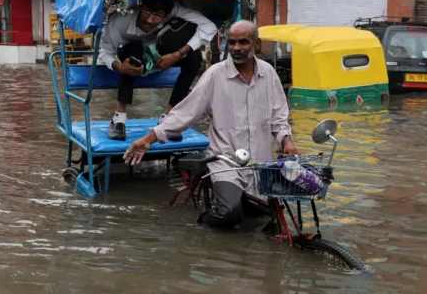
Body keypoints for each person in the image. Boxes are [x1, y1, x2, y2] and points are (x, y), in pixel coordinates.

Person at [124, 20, 298, 229]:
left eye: (243, 42)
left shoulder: (268, 73)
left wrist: (286, 142)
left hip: (260, 164)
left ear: (257, 44)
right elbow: (184, 114)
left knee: (265, 219)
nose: (236, 48)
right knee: (229, 212)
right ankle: (201, 229)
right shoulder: (215, 74)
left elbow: (279, 117)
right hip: (226, 162)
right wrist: (147, 140)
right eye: (232, 42)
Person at [99, 0, 217, 141]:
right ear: (142, 7)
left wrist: (177, 55)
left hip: (160, 55)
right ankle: (119, 118)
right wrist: (120, 67)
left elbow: (209, 27)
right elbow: (105, 52)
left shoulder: (174, 10)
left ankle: (168, 117)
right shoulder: (119, 22)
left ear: (166, 14)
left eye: (157, 16)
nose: (149, 20)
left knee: (195, 56)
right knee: (133, 51)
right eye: (147, 12)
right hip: (132, 58)